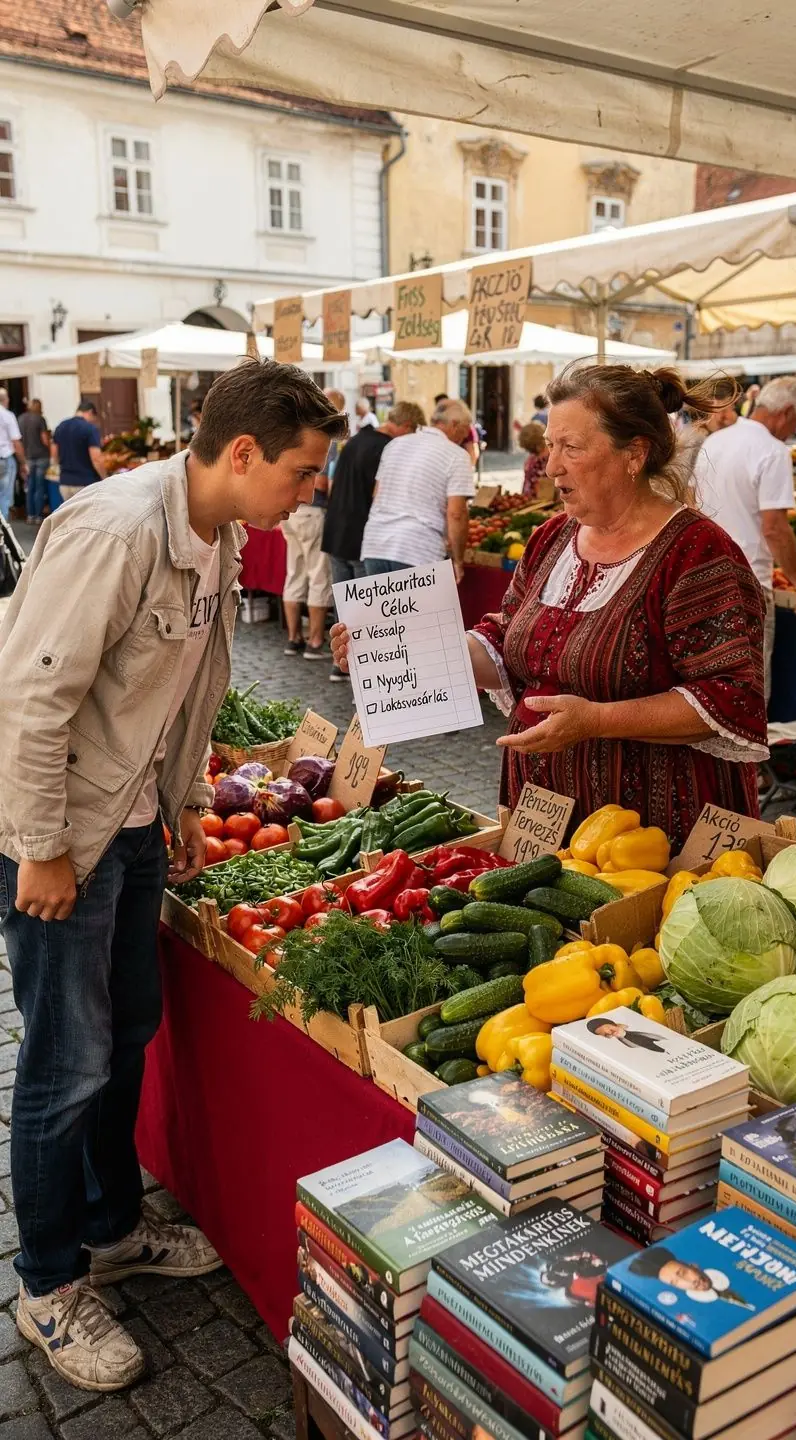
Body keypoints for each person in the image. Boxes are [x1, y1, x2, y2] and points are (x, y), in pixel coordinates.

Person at [0, 360, 346, 1393]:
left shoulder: (224, 534)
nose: (309, 492)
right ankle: (50, 1286)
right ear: (241, 453)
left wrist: (188, 798)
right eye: (301, 471)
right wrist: (43, 846)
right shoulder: (116, 531)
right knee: (66, 1063)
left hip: (139, 819)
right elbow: (32, 695)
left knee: (129, 1033)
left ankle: (112, 1227)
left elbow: (197, 681)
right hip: (69, 834)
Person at [333, 366, 768, 853]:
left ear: (634, 454)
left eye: (572, 448)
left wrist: (598, 720)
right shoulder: (551, 539)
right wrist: (400, 649)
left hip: (652, 833)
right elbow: (505, 639)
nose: (551, 464)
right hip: (542, 818)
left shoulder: (697, 552)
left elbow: (730, 697)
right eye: (550, 444)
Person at [694, 375, 796, 700]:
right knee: (749, 687)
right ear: (785, 411)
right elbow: (775, 528)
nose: (794, 430)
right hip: (748, 583)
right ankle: (747, 751)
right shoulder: (773, 451)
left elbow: (692, 506)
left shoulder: (715, 441)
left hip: (704, 577)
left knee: (710, 681)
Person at [322, 401, 425, 681]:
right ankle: (364, 670)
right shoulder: (385, 448)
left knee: (344, 604)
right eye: (412, 432)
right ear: (405, 426)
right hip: (361, 535)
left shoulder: (356, 439)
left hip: (336, 530)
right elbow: (382, 495)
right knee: (365, 609)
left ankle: (340, 665)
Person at [360, 398, 476, 580]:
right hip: (419, 549)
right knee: (421, 609)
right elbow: (457, 514)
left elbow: (377, 494)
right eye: (466, 428)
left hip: (376, 545)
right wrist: (458, 560)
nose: (466, 435)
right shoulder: (457, 456)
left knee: (384, 609)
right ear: (454, 424)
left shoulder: (395, 445)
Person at [281, 387, 345, 659]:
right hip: (312, 510)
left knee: (294, 572)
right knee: (318, 575)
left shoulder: (295, 433)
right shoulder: (324, 439)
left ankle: (294, 638)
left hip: (289, 511)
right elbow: (322, 482)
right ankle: (315, 641)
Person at [52, 400, 106, 502]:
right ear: (90, 412)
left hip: (65, 483)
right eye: (93, 418)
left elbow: (54, 452)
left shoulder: (61, 426)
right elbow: (96, 459)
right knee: (87, 517)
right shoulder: (90, 429)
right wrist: (105, 477)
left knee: (70, 517)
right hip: (85, 483)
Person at [19, 399, 50, 525]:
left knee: (30, 487)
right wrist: (49, 445)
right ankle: (38, 516)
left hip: (27, 457)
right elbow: (44, 439)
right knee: (40, 487)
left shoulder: (20, 419)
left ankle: (29, 515)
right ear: (39, 407)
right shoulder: (40, 419)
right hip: (41, 456)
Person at [0, 389, 26, 522]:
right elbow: (16, 441)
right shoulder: (7, 415)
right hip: (4, 458)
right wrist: (23, 463)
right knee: (4, 497)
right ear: (5, 400)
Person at [518, 420, 549, 501]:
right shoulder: (534, 456)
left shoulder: (544, 459)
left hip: (538, 501)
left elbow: (539, 485)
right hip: (528, 499)